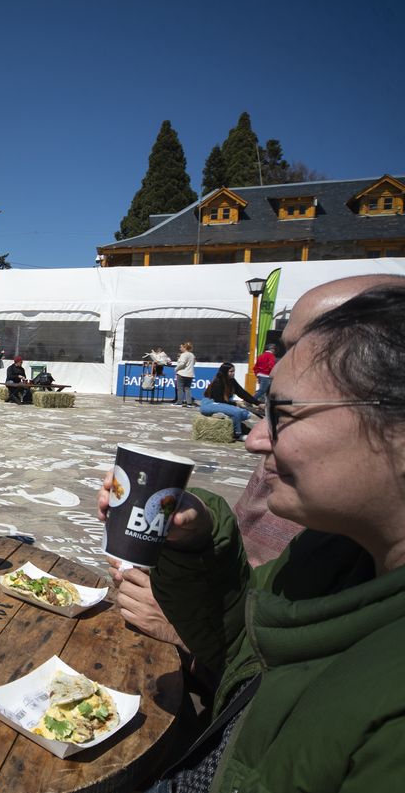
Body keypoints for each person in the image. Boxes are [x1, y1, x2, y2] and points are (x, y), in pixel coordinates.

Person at [100, 285, 405, 792]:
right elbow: (252, 659)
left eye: (282, 414)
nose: (256, 437)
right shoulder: (337, 553)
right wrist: (197, 541)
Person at [199, 362, 260, 440]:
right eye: (231, 371)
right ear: (224, 372)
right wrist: (235, 404)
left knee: (245, 414)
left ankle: (236, 427)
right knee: (237, 412)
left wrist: (258, 403)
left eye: (234, 371)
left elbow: (242, 392)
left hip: (220, 404)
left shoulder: (231, 381)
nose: (233, 373)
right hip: (210, 404)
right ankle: (236, 434)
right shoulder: (218, 382)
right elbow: (219, 400)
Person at [173, 341, 195, 407]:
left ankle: (179, 402)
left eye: (181, 347)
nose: (180, 348)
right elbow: (193, 363)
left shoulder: (184, 355)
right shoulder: (192, 355)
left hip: (182, 373)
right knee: (187, 389)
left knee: (180, 388)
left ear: (185, 347)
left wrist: (176, 368)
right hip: (190, 374)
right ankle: (189, 403)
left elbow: (182, 363)